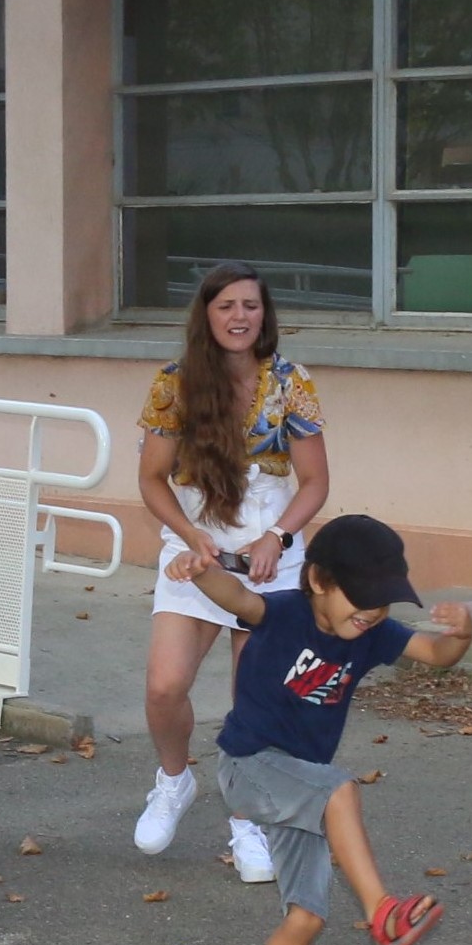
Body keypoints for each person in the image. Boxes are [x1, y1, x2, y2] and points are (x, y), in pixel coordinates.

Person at [160, 515, 471, 945]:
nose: (374, 610)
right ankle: (382, 913)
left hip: (298, 785)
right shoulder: (283, 614)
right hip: (250, 767)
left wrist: (463, 634)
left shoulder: (374, 635)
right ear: (320, 581)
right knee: (340, 791)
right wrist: (198, 569)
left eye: (385, 600)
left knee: (306, 915)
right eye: (364, 596)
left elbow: (439, 656)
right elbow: (239, 597)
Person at [134, 261, 330, 883]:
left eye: (250, 305)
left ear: (264, 315)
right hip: (194, 553)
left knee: (253, 701)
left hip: (269, 561)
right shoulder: (175, 384)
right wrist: (191, 535)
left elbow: (316, 481)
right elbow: (151, 477)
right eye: (226, 306)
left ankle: (248, 821)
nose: (240, 316)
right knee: (165, 687)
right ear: (207, 315)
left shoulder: (291, 382)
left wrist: (280, 535)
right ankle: (173, 782)